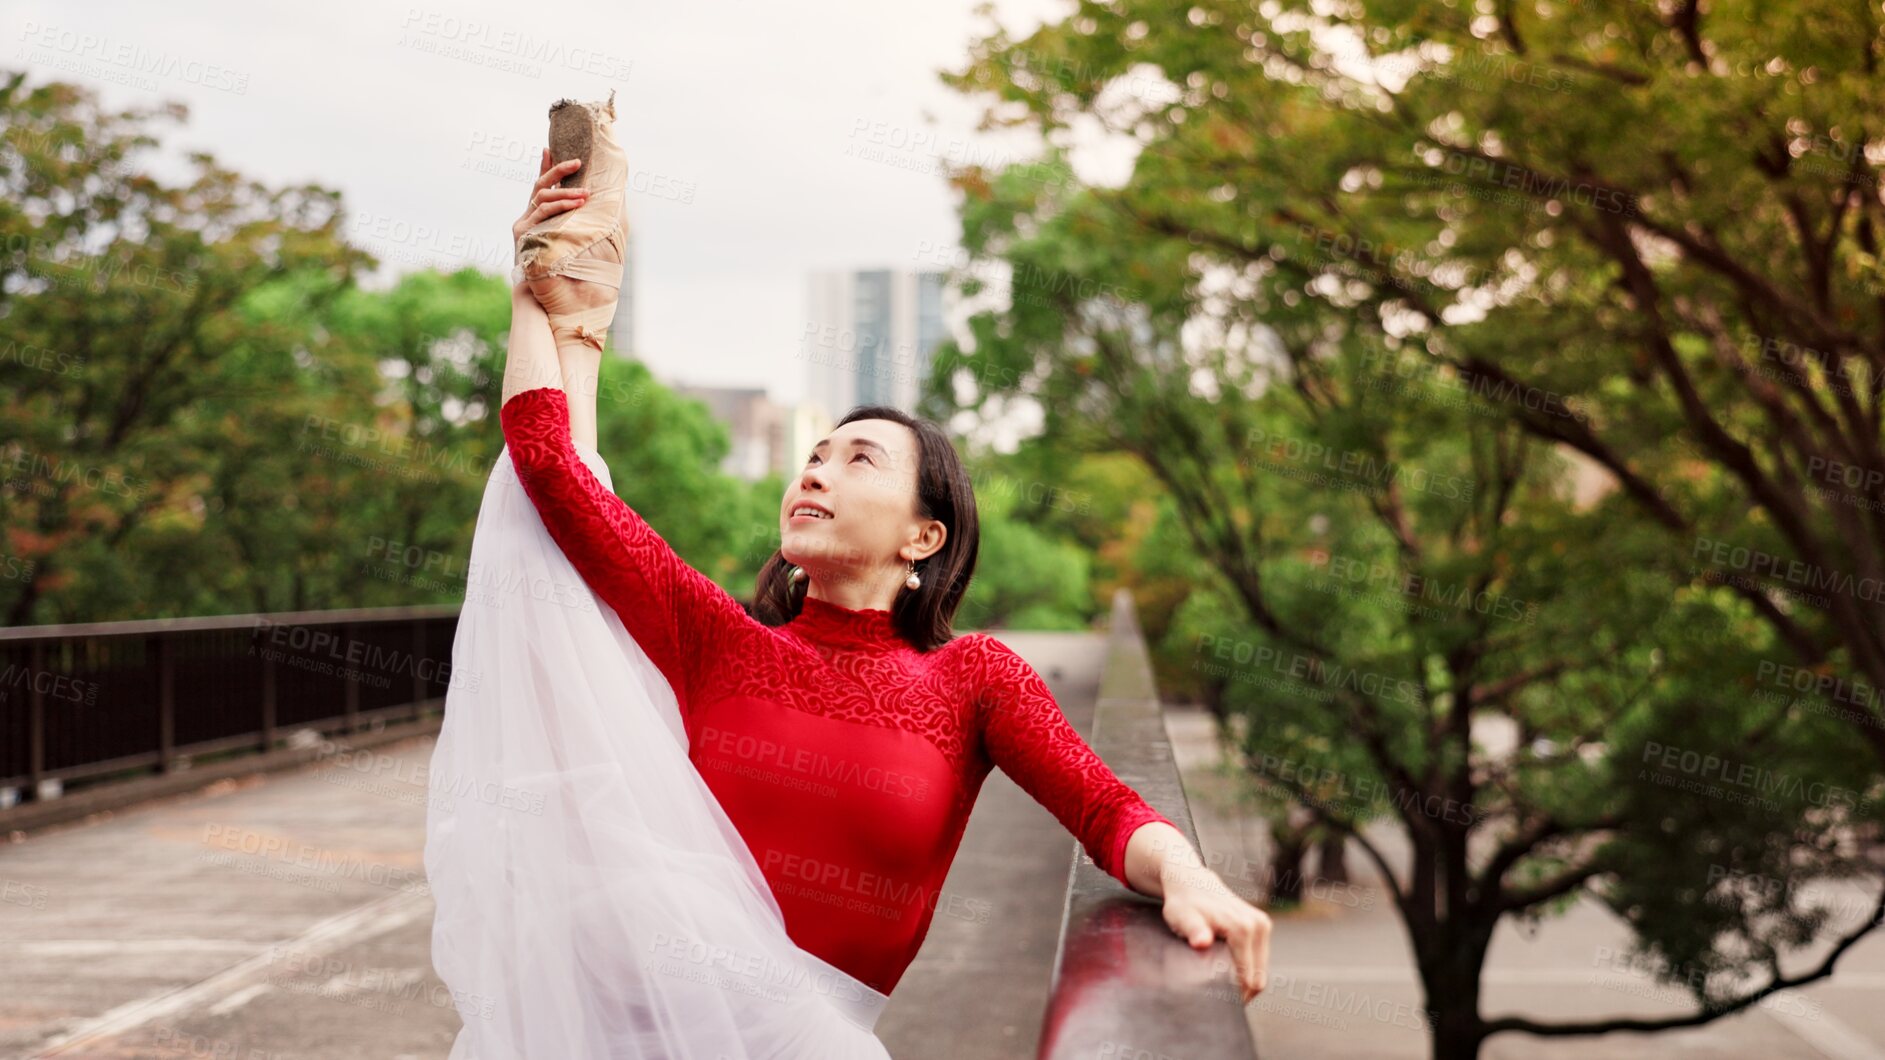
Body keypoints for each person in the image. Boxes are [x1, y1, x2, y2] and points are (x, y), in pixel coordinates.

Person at [426, 125, 1270, 1060]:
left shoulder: (975, 679)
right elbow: (553, 472)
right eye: (813, 456)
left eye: (856, 459)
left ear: (924, 535)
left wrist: (1186, 874)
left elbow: (1108, 811)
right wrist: (533, 290)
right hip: (617, 1029)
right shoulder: (720, 637)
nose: (815, 474)